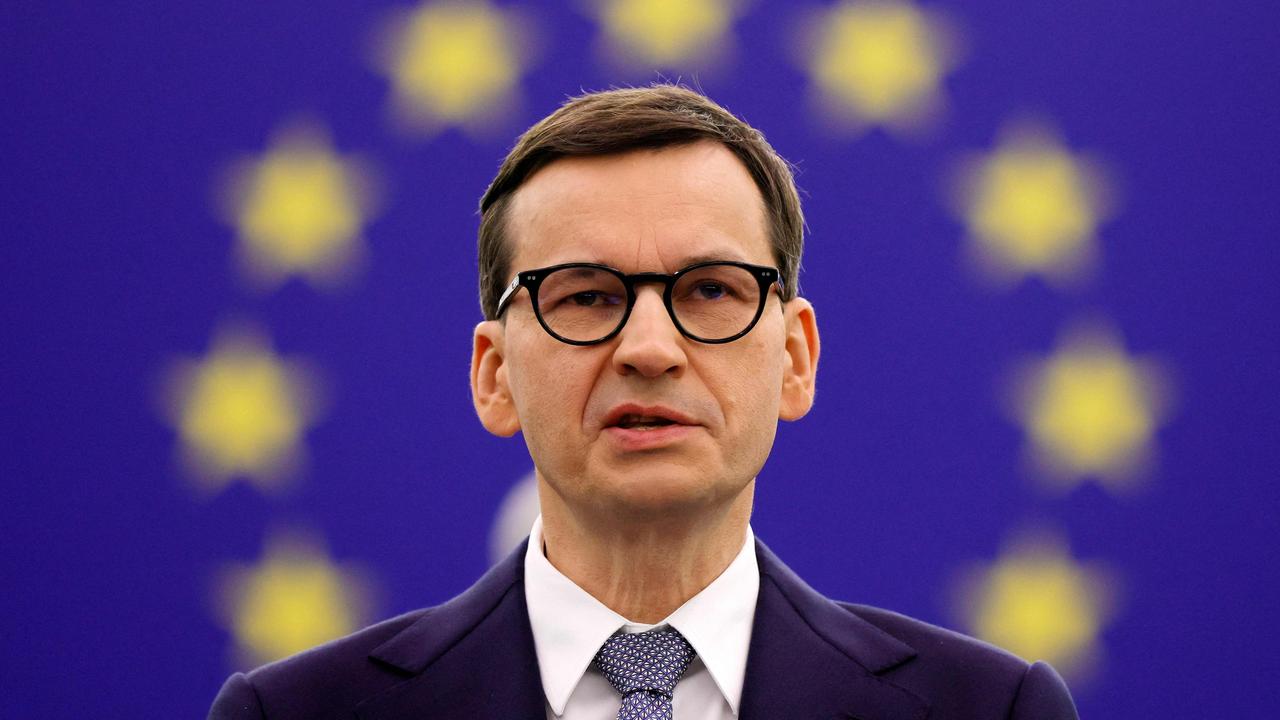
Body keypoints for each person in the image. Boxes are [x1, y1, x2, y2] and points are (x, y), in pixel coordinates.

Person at [209, 85, 1078, 719]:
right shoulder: (292, 717)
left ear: (796, 359)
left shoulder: (990, 711)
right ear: (495, 373)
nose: (651, 349)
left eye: (709, 291)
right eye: (585, 295)